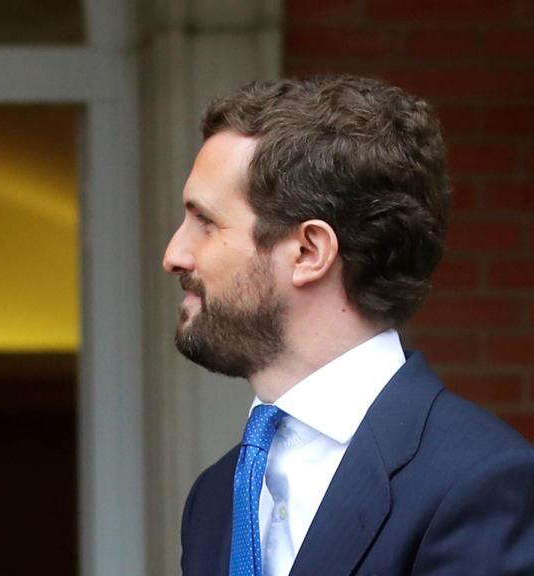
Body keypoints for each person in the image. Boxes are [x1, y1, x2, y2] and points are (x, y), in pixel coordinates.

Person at [163, 75, 534, 575]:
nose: (174, 254)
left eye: (205, 222)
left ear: (308, 252)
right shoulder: (213, 499)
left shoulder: (478, 482)